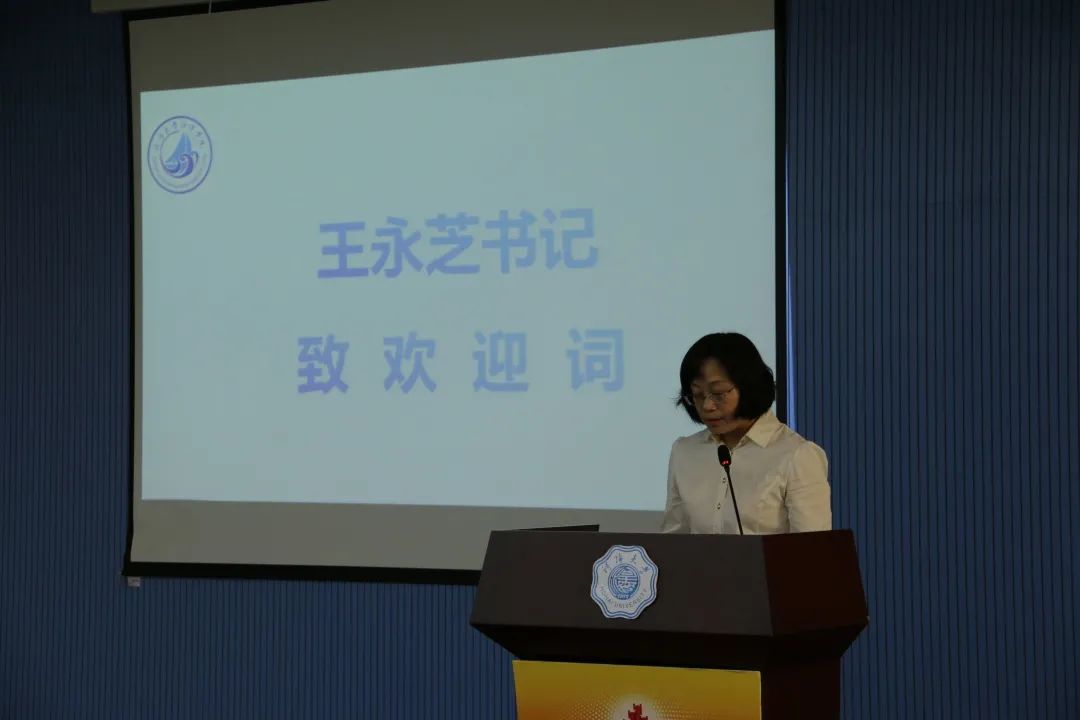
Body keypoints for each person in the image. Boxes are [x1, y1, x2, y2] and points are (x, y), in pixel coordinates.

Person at [661, 332, 831, 534]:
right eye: (697, 395)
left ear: (751, 387)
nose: (707, 406)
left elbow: (812, 548)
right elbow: (674, 540)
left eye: (718, 394)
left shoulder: (797, 455)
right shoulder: (684, 451)